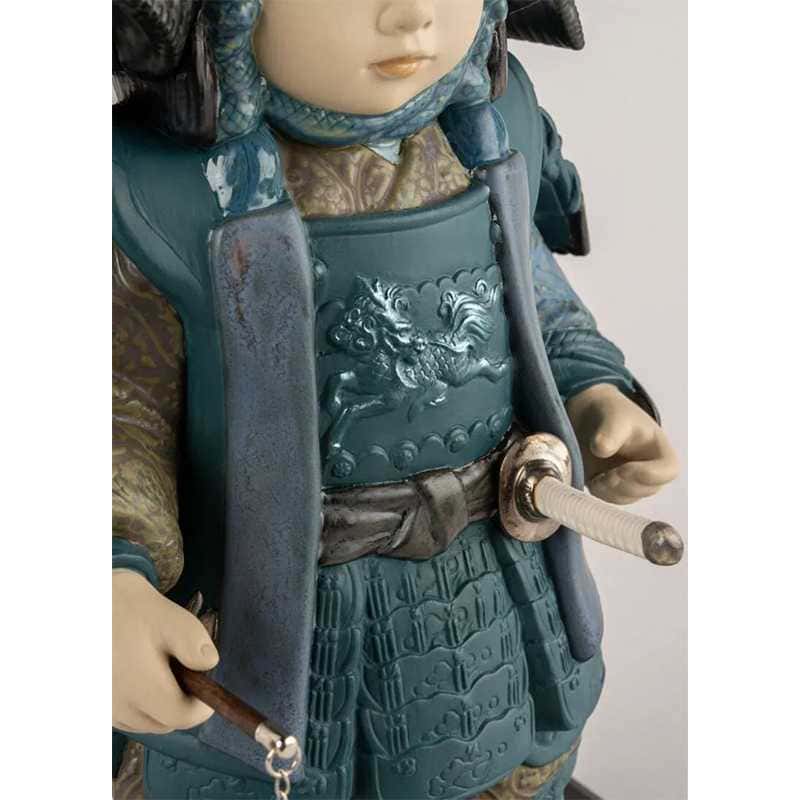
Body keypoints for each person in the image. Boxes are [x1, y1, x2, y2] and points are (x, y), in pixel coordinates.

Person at [112, 2, 678, 798]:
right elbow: (117, 406)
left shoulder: (484, 138)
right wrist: (115, 578)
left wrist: (592, 389)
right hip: (286, 606)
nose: (412, 15)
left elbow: (535, 300)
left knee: (521, 762)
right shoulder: (157, 196)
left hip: (496, 572)